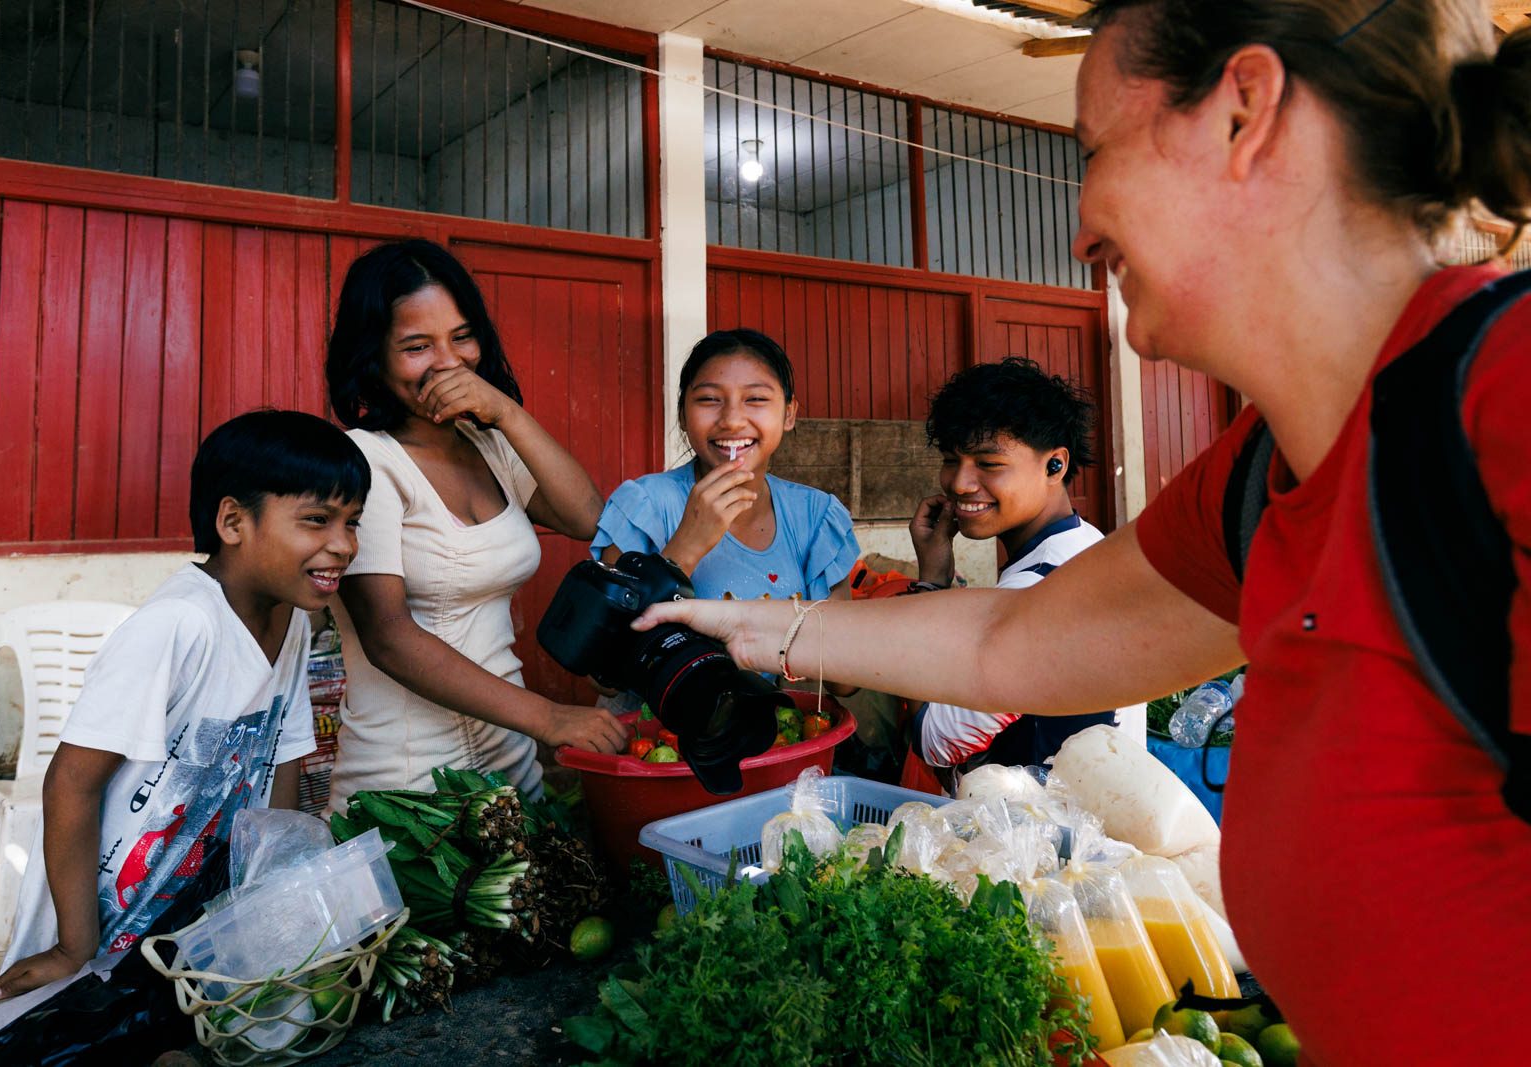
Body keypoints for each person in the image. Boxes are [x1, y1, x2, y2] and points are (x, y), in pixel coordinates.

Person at [632, 4, 1531, 1064]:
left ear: (1244, 111)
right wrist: (751, 626)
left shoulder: (1506, 405)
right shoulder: (1256, 478)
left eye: (1095, 151)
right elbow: (1010, 641)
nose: (1079, 232)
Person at [0, 410, 370, 1000]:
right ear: (233, 521)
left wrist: (272, 899)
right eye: (317, 520)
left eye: (353, 523)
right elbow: (71, 782)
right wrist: (71, 948)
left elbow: (284, 756)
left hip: (191, 934)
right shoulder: (180, 624)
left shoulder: (291, 617)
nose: (344, 545)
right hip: (99, 930)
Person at [325, 240, 626, 806]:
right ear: (373, 357)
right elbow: (388, 637)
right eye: (417, 346)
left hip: (511, 766)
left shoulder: (488, 444)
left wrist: (506, 413)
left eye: (461, 337)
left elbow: (587, 517)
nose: (448, 362)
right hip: (409, 785)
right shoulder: (365, 460)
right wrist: (548, 717)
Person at [591, 328, 860, 694]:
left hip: (771, 727)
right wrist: (686, 548)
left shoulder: (816, 517)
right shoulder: (643, 507)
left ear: (789, 413)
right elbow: (603, 677)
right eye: (709, 399)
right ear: (682, 414)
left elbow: (843, 682)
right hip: (653, 727)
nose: (732, 420)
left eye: (756, 399)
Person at [906, 358, 1127, 786]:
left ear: (1054, 466)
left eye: (988, 464)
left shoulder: (1038, 591)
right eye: (951, 459)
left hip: (1043, 825)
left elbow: (933, 741)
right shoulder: (1088, 544)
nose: (960, 483)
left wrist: (931, 583)